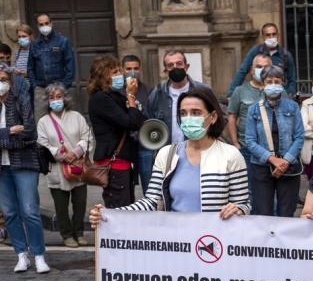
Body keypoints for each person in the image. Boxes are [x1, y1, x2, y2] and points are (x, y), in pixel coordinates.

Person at [89, 86, 250, 225]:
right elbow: (151, 201)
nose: (188, 118)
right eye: (183, 113)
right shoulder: (167, 154)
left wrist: (238, 209)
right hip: (177, 243)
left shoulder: (231, 155)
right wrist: (111, 214)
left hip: (214, 245)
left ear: (213, 117)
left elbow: (244, 204)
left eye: (196, 112)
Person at [0, 64, 49, 273]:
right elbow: (17, 133)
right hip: (2, 169)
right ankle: (21, 254)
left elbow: (29, 133)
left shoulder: (20, 100)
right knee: (10, 212)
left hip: (24, 162)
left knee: (29, 211)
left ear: (10, 81)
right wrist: (9, 131)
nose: (1, 83)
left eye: (3, 78)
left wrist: (3, 136)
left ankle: (38, 255)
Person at [36, 83, 91, 247]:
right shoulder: (43, 122)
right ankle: (66, 234)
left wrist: (76, 152)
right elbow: (43, 144)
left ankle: (79, 232)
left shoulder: (77, 117)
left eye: (58, 96)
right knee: (61, 206)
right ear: (47, 101)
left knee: (80, 203)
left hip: (78, 166)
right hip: (57, 169)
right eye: (52, 98)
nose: (56, 100)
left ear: (65, 98)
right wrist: (61, 154)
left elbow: (87, 137)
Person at [245, 66, 304, 216]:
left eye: (276, 81)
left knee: (287, 212)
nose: (273, 85)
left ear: (283, 83)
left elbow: (299, 137)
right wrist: (272, 159)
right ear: (263, 84)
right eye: (269, 81)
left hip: (288, 166)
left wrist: (284, 161)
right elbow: (250, 140)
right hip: (262, 166)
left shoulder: (293, 106)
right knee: (263, 212)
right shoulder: (254, 109)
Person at [88, 55, 145, 208]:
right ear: (102, 76)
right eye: (114, 72)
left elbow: (138, 120)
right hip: (114, 163)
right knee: (120, 209)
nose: (120, 75)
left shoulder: (114, 96)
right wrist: (131, 96)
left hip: (124, 160)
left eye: (120, 71)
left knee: (127, 205)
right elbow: (131, 122)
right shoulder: (100, 99)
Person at [227, 53, 273, 193]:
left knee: (271, 191)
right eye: (259, 66)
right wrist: (235, 143)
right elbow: (232, 116)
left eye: (266, 67)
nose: (262, 70)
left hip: (272, 150)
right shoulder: (240, 91)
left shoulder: (277, 90)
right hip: (247, 149)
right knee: (250, 190)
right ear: (252, 69)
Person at [145, 50, 209, 146]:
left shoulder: (202, 91)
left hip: (198, 150)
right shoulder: (158, 93)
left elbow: (219, 118)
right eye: (170, 65)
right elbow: (148, 122)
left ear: (186, 67)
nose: (175, 67)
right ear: (166, 70)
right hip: (167, 152)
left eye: (179, 64)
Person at [227, 22, 296, 97]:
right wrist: (231, 93)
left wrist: (289, 95)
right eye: (268, 35)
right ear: (263, 37)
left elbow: (291, 80)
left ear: (278, 35)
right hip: (257, 93)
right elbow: (242, 71)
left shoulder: (285, 55)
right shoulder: (255, 51)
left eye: (274, 34)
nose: (271, 37)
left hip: (279, 94)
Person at [28, 13, 75, 120]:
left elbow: (70, 65)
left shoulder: (62, 41)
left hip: (59, 87)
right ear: (37, 26)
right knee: (40, 120)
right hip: (40, 88)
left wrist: (64, 85)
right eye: (41, 24)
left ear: (51, 23)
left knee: (64, 118)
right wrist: (34, 85)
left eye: (46, 23)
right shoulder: (34, 44)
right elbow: (30, 67)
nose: (44, 26)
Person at [121, 54, 154, 192]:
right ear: (123, 70)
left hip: (144, 143)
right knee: (125, 186)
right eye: (128, 68)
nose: (132, 72)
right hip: (124, 144)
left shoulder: (149, 91)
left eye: (136, 68)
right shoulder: (117, 90)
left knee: (149, 182)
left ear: (140, 69)